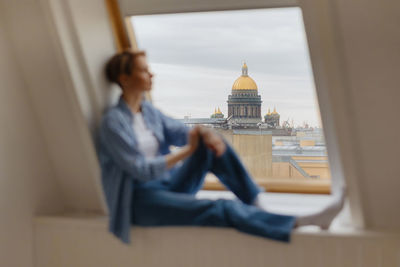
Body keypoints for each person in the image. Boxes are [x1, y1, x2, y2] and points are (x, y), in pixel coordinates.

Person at [97, 50, 346, 244]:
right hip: (141, 201)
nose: (152, 74)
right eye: (144, 70)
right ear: (124, 78)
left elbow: (181, 132)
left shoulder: (147, 111)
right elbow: (140, 170)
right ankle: (300, 221)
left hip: (167, 185)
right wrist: (186, 151)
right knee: (221, 207)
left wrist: (206, 132)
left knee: (212, 142)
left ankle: (257, 203)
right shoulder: (112, 123)